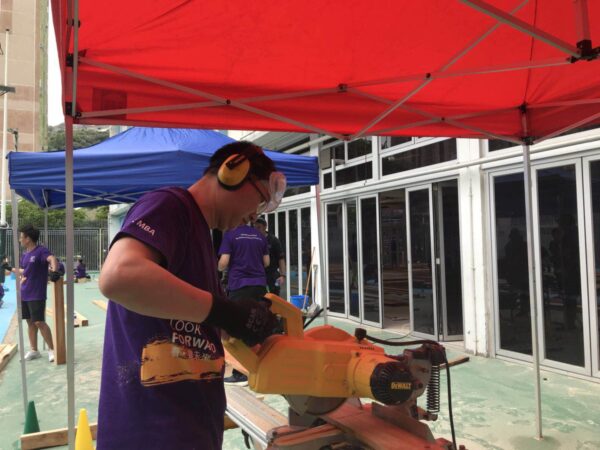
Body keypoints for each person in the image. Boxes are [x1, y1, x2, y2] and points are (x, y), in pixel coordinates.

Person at [96, 141, 286, 450]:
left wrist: (239, 324)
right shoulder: (170, 206)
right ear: (232, 171)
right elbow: (119, 275)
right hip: (152, 432)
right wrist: (223, 311)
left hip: (186, 428)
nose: (254, 215)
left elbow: (184, 322)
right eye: (259, 199)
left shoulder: (200, 233)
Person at [218, 222, 270, 385]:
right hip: (259, 285)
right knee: (256, 326)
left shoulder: (230, 235)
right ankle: (261, 369)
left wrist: (218, 268)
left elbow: (224, 262)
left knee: (236, 329)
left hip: (239, 285)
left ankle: (240, 372)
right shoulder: (260, 236)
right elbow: (267, 262)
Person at [17, 225, 61, 362]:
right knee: (30, 322)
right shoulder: (24, 255)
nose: (20, 239)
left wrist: (54, 271)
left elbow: (52, 259)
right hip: (25, 292)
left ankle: (52, 349)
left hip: (37, 293)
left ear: (28, 238)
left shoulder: (41, 251)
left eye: (21, 237)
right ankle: (34, 350)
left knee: (39, 322)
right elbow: (24, 271)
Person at [253, 217, 286, 296]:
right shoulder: (253, 240)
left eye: (259, 227)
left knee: (273, 298)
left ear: (265, 227)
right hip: (258, 275)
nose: (256, 230)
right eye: (255, 228)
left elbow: (281, 259)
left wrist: (283, 275)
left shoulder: (273, 240)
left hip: (272, 275)